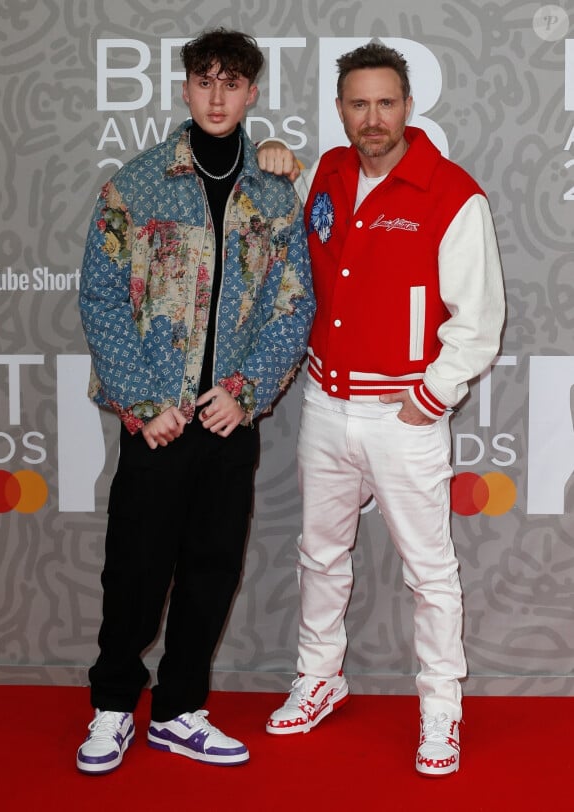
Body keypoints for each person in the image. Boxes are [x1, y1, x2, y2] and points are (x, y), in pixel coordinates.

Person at [258, 42, 505, 776]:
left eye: (386, 103)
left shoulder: (452, 192)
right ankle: (320, 678)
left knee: (430, 574)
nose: (373, 118)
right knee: (320, 556)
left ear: (408, 106)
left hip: (404, 419)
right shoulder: (327, 174)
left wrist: (428, 399)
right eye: (358, 104)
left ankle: (439, 714)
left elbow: (479, 319)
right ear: (340, 109)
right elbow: (287, 206)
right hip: (326, 406)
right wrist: (274, 152)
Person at [76, 28, 314, 774]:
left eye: (232, 83)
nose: (217, 96)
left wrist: (243, 395)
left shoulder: (275, 194)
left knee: (212, 569)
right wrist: (146, 403)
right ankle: (114, 707)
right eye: (204, 80)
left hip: (227, 421)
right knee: (135, 570)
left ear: (251, 93)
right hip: (157, 426)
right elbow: (102, 299)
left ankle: (180, 711)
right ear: (184, 88)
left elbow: (293, 306)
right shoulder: (135, 184)